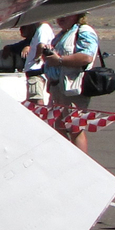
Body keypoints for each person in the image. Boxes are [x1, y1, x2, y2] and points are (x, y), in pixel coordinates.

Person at [45, 12, 99, 153]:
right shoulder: (63, 34)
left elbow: (86, 57)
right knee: (57, 127)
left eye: (67, 15)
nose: (61, 18)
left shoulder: (84, 31)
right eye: (60, 15)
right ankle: (66, 159)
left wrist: (60, 60)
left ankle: (81, 165)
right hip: (57, 87)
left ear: (77, 15)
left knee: (75, 128)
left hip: (73, 88)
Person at [20, 20, 55, 104]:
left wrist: (36, 58)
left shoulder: (43, 28)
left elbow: (41, 45)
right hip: (35, 72)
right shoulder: (43, 29)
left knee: (35, 99)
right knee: (33, 98)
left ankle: (39, 115)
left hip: (35, 72)